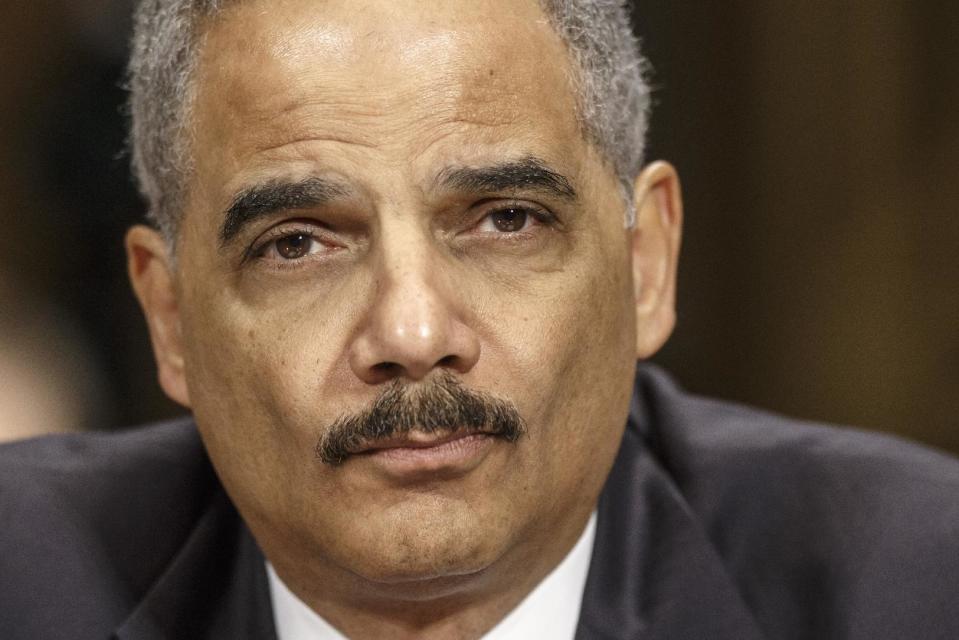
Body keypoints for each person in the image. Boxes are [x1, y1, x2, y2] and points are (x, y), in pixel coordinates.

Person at [2, 1, 957, 638]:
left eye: (506, 220)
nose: (414, 335)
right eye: (298, 244)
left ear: (644, 266)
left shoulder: (914, 587)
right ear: (168, 317)